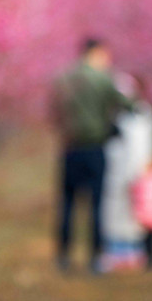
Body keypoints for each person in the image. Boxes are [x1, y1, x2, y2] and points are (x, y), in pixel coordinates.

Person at [51, 38, 131, 274]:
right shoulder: (104, 79)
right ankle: (95, 257)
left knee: (67, 204)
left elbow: (54, 112)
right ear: (96, 53)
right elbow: (127, 104)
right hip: (96, 149)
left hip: (70, 148)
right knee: (97, 205)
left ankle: (63, 256)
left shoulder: (63, 78)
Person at [99, 73, 152, 271]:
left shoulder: (141, 113)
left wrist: (138, 172)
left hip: (135, 172)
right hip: (116, 171)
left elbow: (141, 145)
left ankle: (134, 255)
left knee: (134, 217)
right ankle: (116, 255)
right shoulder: (118, 115)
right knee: (115, 215)